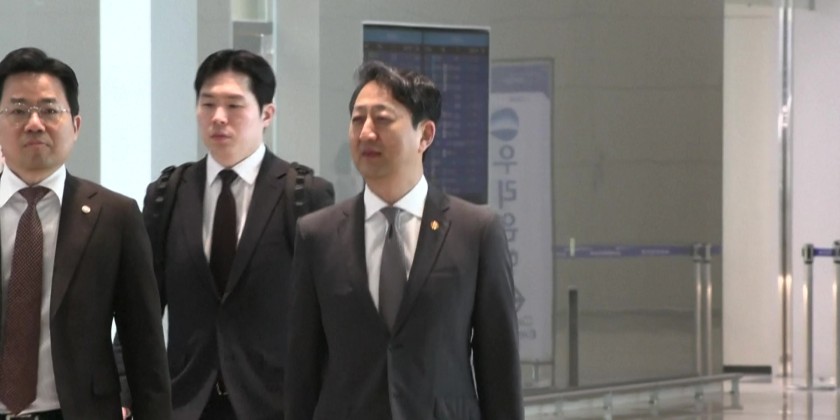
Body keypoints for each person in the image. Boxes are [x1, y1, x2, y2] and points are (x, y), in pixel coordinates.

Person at [285, 61, 524, 420]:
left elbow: (499, 368)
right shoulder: (317, 235)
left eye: (382, 120)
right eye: (357, 120)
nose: (366, 133)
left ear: (425, 135)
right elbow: (301, 370)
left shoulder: (475, 231)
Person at [120, 49, 334, 420]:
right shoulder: (168, 193)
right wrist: (125, 391)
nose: (218, 117)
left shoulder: (303, 194)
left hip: (274, 404)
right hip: (184, 403)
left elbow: (327, 316)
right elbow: (141, 308)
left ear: (267, 114)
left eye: (234, 106)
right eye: (208, 104)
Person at [0, 47, 171, 419]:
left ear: (75, 126)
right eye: (18, 110)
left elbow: (144, 351)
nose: (34, 123)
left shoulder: (115, 217)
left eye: (49, 110)